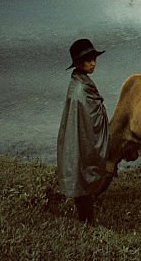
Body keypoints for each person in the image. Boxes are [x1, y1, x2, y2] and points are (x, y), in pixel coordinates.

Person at [57, 38, 109, 225]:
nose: (93, 63)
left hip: (80, 136)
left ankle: (87, 219)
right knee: (83, 170)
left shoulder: (81, 83)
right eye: (88, 60)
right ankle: (87, 221)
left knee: (82, 173)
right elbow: (86, 121)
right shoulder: (80, 89)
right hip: (81, 138)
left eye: (94, 58)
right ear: (78, 63)